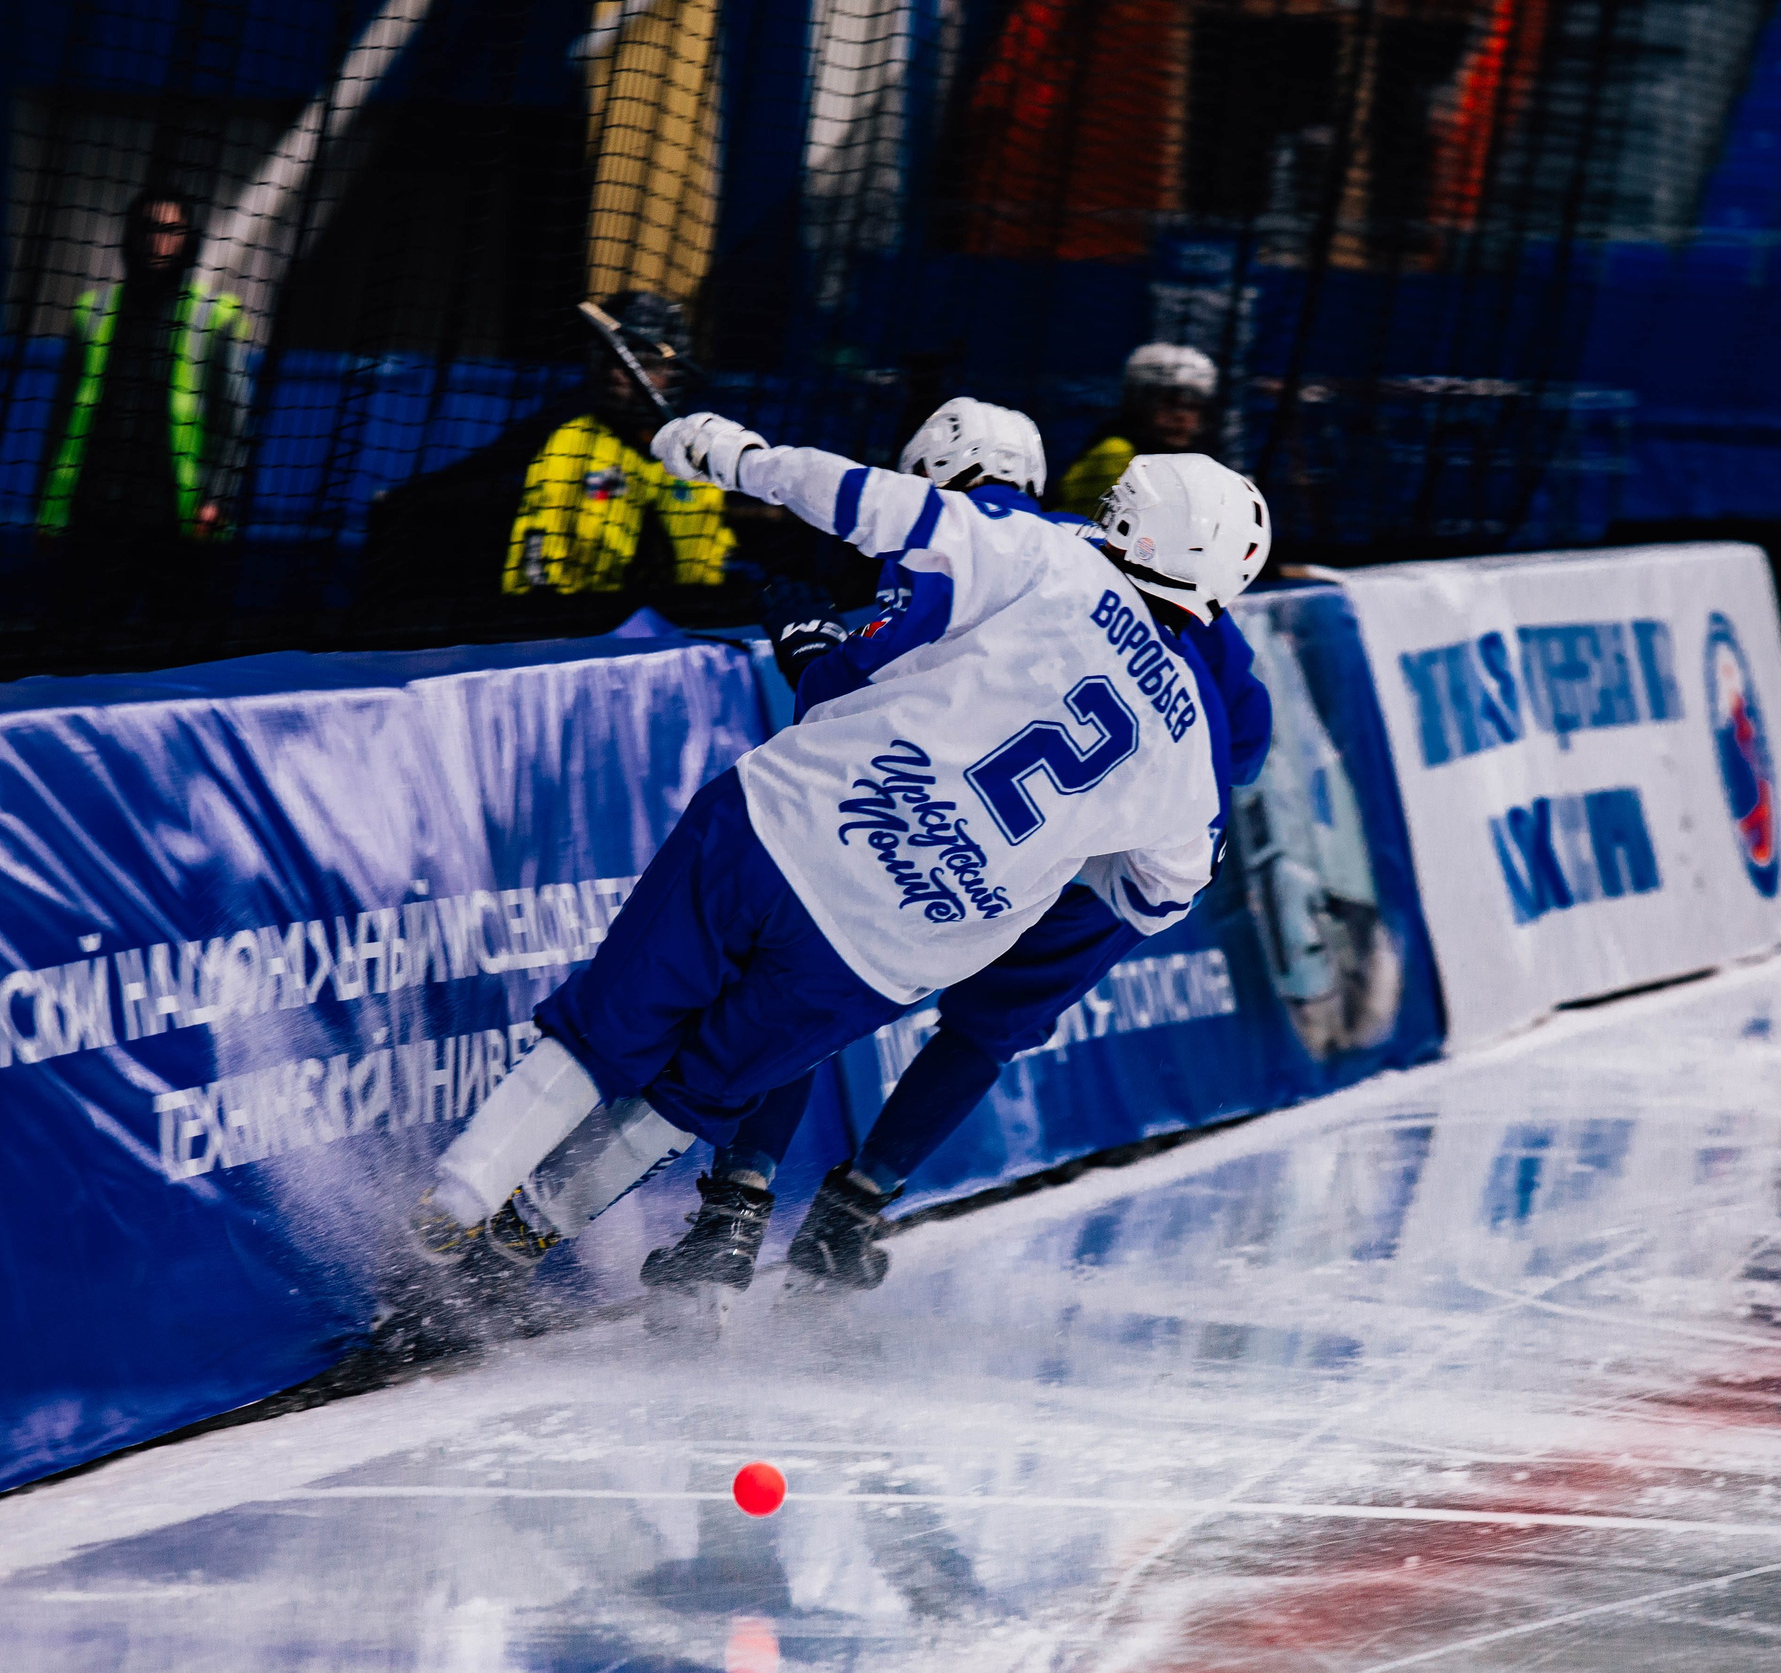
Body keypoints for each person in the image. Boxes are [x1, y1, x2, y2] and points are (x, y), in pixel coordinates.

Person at [411, 412, 1271, 1298]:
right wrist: (1068, 846)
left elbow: (868, 503)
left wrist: (741, 459)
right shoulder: (1193, 749)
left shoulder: (1040, 551)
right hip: (893, 942)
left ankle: (456, 1200)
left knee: (612, 1023)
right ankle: (522, 1242)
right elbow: (1165, 890)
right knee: (701, 1092)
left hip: (789, 823)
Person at [359, 291, 734, 602]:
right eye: (613, 361)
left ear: (674, 370)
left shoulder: (698, 451)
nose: (623, 375)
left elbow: (709, 554)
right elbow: (535, 554)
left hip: (686, 622)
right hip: (582, 621)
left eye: (645, 362)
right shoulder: (572, 441)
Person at [35, 187, 248, 622]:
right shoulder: (93, 313)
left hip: (175, 519)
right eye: (150, 229)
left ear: (189, 239)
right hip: (96, 511)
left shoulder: (214, 316)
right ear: (131, 236)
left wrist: (219, 499)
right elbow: (61, 421)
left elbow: (234, 422)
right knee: (80, 637)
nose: (159, 242)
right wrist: (49, 511)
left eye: (172, 231)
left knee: (164, 645)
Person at [1055, 343, 1218, 517]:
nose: (1181, 416)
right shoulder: (1115, 452)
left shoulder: (1193, 464)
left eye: (1192, 406)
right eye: (1169, 403)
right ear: (1139, 403)